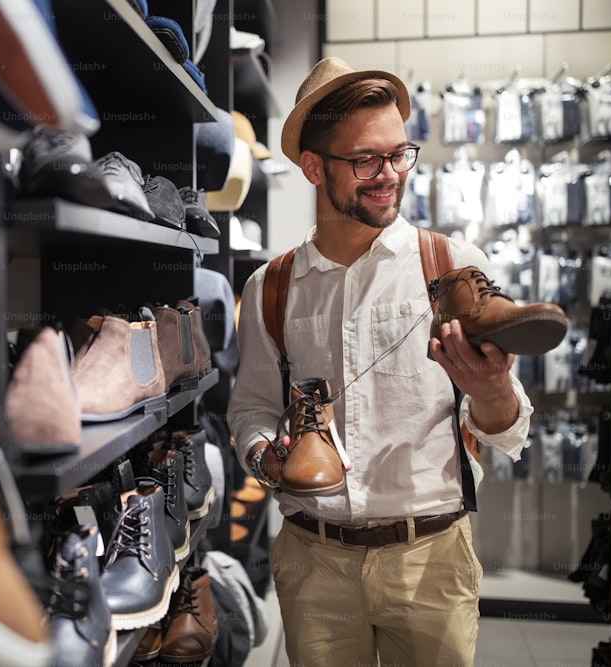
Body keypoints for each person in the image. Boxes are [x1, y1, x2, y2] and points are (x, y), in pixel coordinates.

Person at [227, 57, 533, 667]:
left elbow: (508, 428)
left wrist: (494, 390)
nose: (388, 175)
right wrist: (269, 457)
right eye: (366, 159)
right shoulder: (273, 286)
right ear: (314, 167)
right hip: (314, 562)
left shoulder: (451, 265)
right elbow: (251, 409)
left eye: (399, 154)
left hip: (431, 560)